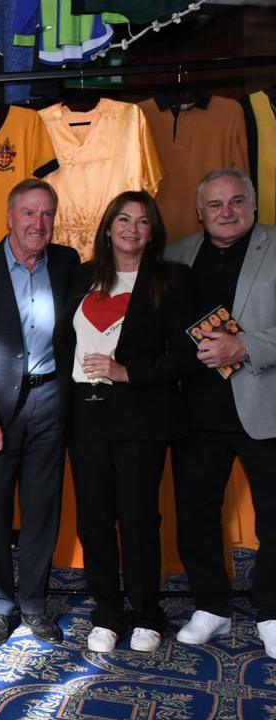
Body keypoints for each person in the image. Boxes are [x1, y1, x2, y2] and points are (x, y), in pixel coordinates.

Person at [60, 191, 196, 654]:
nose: (132, 229)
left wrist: (128, 372)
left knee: (138, 519)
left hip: (141, 415)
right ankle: (106, 613)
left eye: (142, 221)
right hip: (85, 415)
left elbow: (185, 355)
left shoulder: (171, 280)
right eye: (123, 219)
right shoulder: (81, 276)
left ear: (153, 231)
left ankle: (147, 614)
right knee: (95, 519)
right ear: (108, 226)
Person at [0, 178, 79, 646]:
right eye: (28, 213)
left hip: (50, 401)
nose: (37, 223)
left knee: (43, 507)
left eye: (46, 214)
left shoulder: (67, 263)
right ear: (9, 217)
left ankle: (35, 603)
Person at [164, 169, 276, 656]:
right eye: (215, 204)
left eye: (236, 202)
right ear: (199, 211)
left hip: (264, 409)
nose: (226, 212)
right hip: (195, 412)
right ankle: (212, 605)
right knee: (196, 514)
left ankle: (272, 609)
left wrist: (245, 346)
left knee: (273, 518)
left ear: (252, 204)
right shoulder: (178, 254)